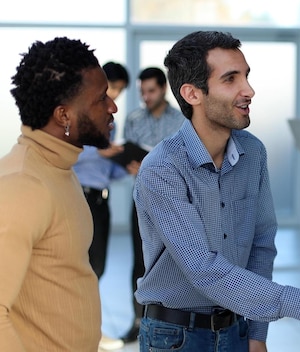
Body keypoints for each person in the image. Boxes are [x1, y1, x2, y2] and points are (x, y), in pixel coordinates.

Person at [132, 30, 300, 352]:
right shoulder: (161, 169)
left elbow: (261, 245)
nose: (249, 90)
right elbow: (203, 269)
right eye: (230, 79)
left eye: (246, 76)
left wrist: (257, 333)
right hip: (175, 337)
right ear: (192, 93)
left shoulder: (253, 153)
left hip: (237, 330)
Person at [0, 37, 117, 351]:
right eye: (101, 99)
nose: (112, 107)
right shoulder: (22, 185)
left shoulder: (59, 169)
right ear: (63, 115)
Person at [120, 66, 186, 342]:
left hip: (173, 202)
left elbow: (187, 161)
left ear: (163, 89)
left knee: (178, 261)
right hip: (141, 200)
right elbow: (127, 158)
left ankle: (175, 322)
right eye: (142, 92)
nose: (146, 97)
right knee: (140, 262)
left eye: (151, 91)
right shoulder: (134, 120)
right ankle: (139, 320)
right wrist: (132, 167)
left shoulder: (183, 120)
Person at [72, 61, 129, 351]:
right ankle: (86, 332)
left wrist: (126, 166)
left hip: (101, 199)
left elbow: (107, 170)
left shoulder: (111, 120)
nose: (115, 97)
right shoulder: (79, 112)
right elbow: (71, 155)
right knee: (82, 268)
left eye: (119, 90)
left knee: (98, 267)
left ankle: (90, 330)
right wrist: (101, 150)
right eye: (113, 88)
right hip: (78, 196)